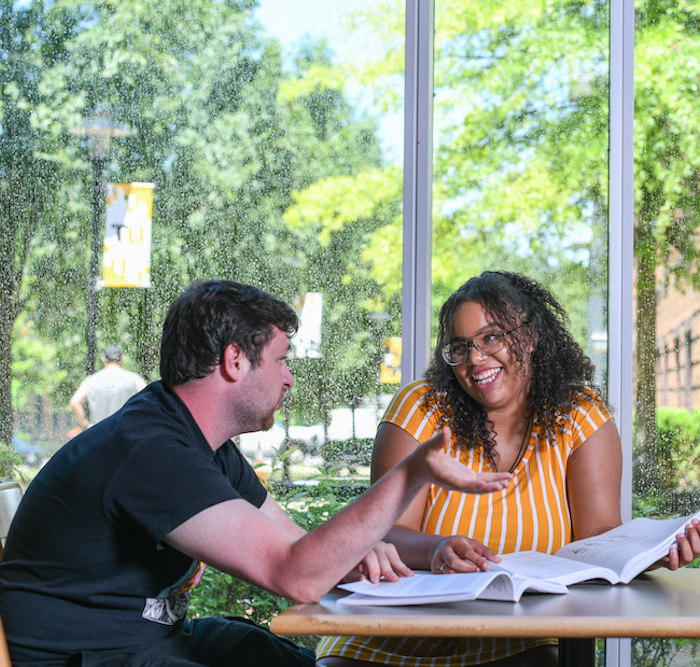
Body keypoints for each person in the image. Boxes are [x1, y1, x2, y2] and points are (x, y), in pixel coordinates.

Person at [0, 279, 512, 667]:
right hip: (87, 657)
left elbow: (294, 546)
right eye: (281, 360)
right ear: (235, 361)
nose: (289, 379)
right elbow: (294, 576)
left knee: (274, 655)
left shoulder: (201, 441)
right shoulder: (151, 451)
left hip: (150, 643)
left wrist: (355, 552)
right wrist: (412, 473)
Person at [316, 271, 700, 667]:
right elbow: (380, 532)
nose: (476, 358)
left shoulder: (580, 415)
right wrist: (433, 548)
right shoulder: (421, 409)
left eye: (492, 337)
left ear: (530, 338)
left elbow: (599, 538)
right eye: (461, 347)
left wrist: (650, 554)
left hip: (520, 642)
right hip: (392, 637)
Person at [69, 345, 147, 429]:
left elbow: (74, 402)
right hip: (126, 432)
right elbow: (149, 399)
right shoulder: (135, 379)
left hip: (100, 433)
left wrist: (87, 425)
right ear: (122, 359)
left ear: (104, 360)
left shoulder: (91, 381)